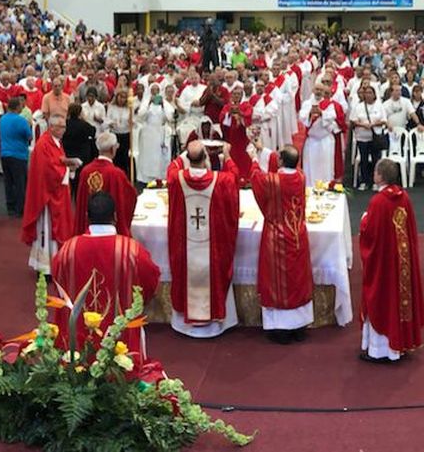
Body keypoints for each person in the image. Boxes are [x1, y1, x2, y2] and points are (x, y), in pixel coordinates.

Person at [50, 192, 161, 360]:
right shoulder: (131, 250)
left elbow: (59, 282)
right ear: (115, 216)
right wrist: (136, 302)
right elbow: (151, 280)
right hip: (121, 339)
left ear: (87, 217)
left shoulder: (68, 250)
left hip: (77, 336)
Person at [166, 140, 241, 338]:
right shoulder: (221, 180)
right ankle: (214, 319)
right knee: (214, 273)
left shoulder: (177, 178)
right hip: (212, 250)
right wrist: (227, 156)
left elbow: (171, 168)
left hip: (186, 247)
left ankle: (186, 321)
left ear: (187, 159)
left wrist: (185, 153)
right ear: (206, 158)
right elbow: (235, 177)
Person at [243, 141, 313, 344]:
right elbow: (279, 167)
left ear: (281, 160)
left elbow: (256, 179)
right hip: (298, 235)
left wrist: (254, 159)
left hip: (277, 238)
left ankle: (280, 329)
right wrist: (262, 150)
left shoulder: (273, 181)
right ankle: (299, 326)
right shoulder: (300, 177)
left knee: (278, 282)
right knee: (297, 280)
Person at [358, 158, 424, 362]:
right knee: (399, 299)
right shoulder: (404, 197)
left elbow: (370, 233)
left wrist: (363, 221)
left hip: (384, 264)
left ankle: (380, 351)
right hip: (401, 261)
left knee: (383, 299)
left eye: (376, 172)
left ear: (380, 176)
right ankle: (400, 345)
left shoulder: (378, 202)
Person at [21, 113, 78, 275]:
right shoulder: (43, 144)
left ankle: (55, 263)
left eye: (64, 127)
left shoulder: (56, 142)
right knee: (48, 231)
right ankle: (46, 267)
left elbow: (57, 162)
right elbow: (48, 171)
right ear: (51, 127)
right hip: (47, 196)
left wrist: (67, 164)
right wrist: (68, 168)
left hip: (57, 192)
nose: (64, 130)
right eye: (61, 127)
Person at [73, 132, 135, 236]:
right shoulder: (116, 174)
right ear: (112, 149)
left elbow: (80, 203)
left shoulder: (85, 171)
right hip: (111, 232)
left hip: (89, 229)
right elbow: (129, 198)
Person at [0, 96, 31, 217]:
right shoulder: (21, 120)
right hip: (18, 155)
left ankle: (10, 206)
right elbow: (29, 136)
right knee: (20, 183)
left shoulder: (2, 119)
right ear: (18, 107)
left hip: (5, 153)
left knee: (8, 181)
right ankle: (20, 208)